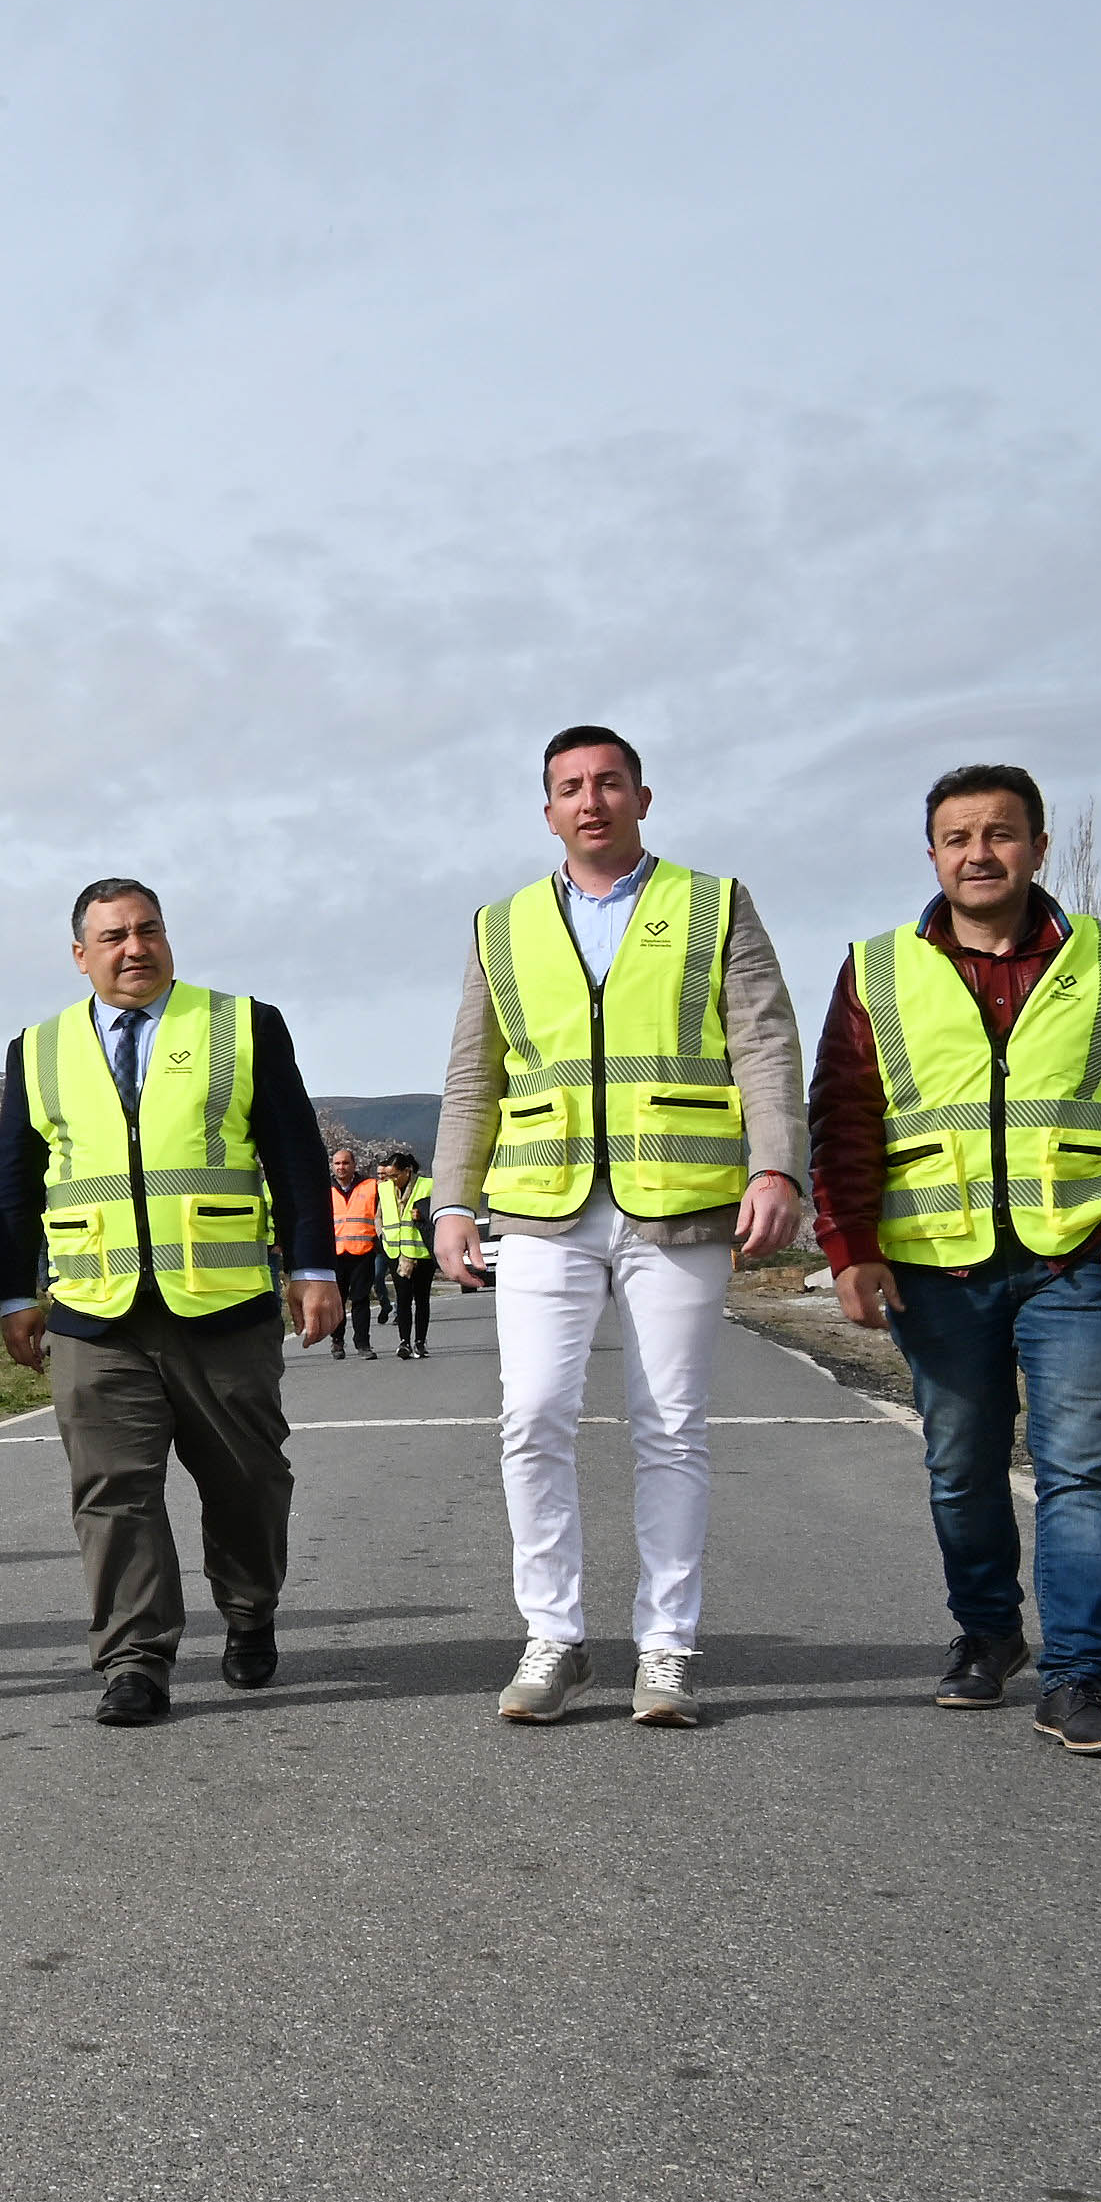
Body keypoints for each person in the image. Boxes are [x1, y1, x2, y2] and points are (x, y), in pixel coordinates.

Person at [812, 764, 1101, 1758]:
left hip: (1082, 1261)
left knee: (1079, 1470)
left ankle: (1075, 1680)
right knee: (961, 1466)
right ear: (932, 854)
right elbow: (845, 1120)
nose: (978, 854)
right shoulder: (877, 970)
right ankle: (988, 1632)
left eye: (1000, 834)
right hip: (936, 1267)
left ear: (1037, 846)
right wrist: (851, 1248)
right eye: (958, 837)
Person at [433, 725, 808, 1728]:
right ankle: (552, 1637)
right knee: (532, 1416)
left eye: (608, 783)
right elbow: (474, 1072)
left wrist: (776, 1164)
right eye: (570, 787)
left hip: (677, 1205)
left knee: (671, 1428)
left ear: (643, 798)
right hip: (542, 1208)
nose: (590, 800)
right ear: (547, 811)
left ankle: (667, 1649)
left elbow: (764, 1044)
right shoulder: (502, 925)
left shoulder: (713, 904)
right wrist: (452, 1199)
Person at [0, 880, 343, 1725]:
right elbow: (12, 1181)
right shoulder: (37, 1049)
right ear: (81, 955)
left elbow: (294, 1156)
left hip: (222, 1307)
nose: (134, 948)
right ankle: (135, 1661)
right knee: (111, 1493)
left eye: (148, 930)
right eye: (113, 937)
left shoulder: (240, 1026)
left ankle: (249, 1609)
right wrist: (12, 1293)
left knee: (247, 1482)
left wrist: (314, 1267)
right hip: (95, 1313)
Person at [376, 1147, 439, 1358]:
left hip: (422, 1253)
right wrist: (381, 1236)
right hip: (395, 1252)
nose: (392, 1180)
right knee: (402, 1298)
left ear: (407, 1171)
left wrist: (422, 1215)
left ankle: (420, 1342)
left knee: (422, 1299)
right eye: (389, 1176)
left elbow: (437, 1213)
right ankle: (404, 1342)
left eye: (395, 1176)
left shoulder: (427, 1185)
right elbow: (379, 1216)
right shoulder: (384, 1189)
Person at [328, 1144, 384, 1358]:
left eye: (345, 1163)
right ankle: (337, 1341)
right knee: (337, 1301)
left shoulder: (371, 1186)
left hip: (363, 1252)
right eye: (337, 1163)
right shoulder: (325, 1189)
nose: (341, 1167)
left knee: (361, 1299)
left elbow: (382, 1214)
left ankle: (363, 1344)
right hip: (335, 1254)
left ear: (354, 1165)